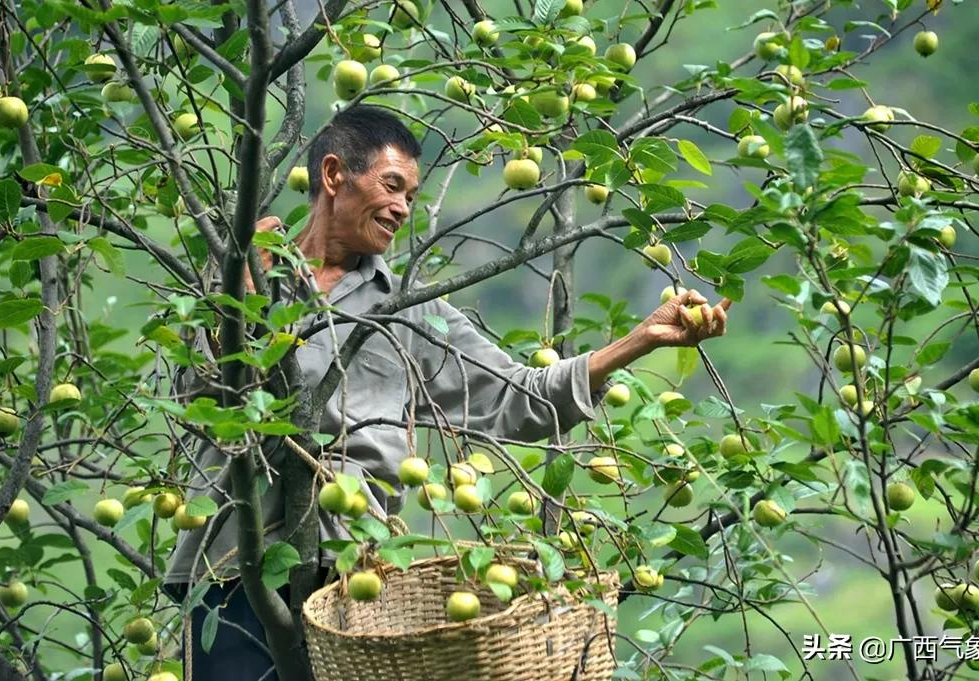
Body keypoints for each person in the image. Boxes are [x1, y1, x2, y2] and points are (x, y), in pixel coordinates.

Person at [164, 104, 731, 680]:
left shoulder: (408, 314)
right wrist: (235, 293)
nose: (402, 208)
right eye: (392, 186)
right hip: (234, 567)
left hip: (348, 581)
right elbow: (199, 399)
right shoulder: (251, 276)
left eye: (411, 195)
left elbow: (521, 397)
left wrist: (639, 340)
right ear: (334, 176)